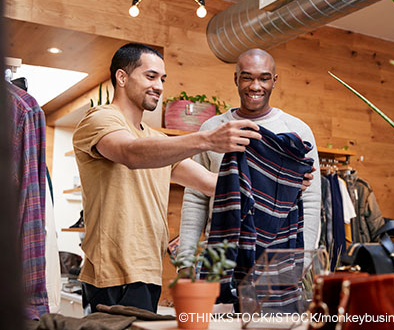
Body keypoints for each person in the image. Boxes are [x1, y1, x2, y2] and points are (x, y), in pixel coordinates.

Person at [72, 43, 262, 313]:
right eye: (150, 76)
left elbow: (212, 184)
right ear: (122, 77)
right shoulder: (100, 119)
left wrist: (281, 181)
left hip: (148, 274)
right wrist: (206, 139)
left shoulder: (157, 141)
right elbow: (130, 152)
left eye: (162, 79)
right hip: (111, 276)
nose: (159, 86)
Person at [178, 48, 321, 274]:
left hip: (277, 260)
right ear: (236, 79)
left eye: (264, 78)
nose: (256, 86)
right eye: (247, 77)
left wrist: (302, 262)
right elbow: (195, 197)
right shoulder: (213, 129)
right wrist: (185, 261)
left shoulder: (297, 132)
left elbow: (311, 200)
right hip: (219, 256)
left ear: (274, 81)